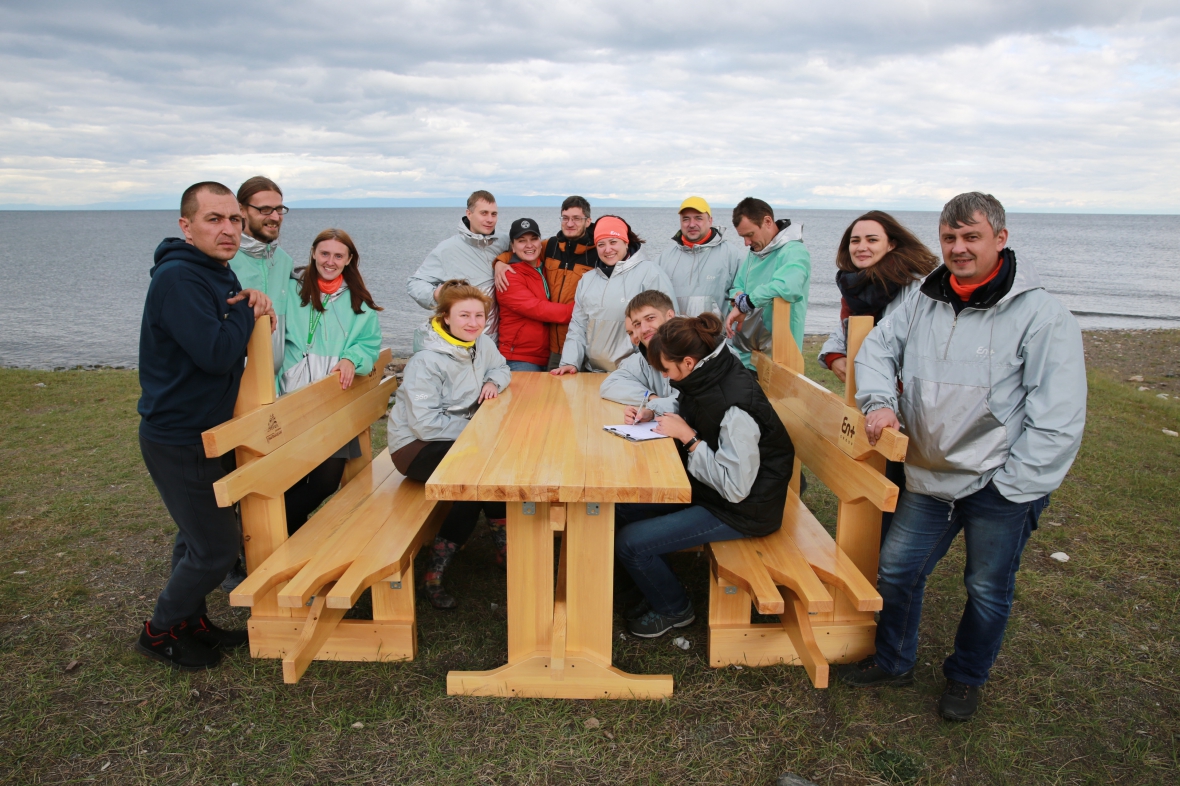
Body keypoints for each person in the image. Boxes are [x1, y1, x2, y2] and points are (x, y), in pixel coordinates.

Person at [836, 192, 1087, 723]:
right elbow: (878, 349)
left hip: (998, 486)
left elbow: (1058, 416)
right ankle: (894, 661)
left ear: (1000, 237)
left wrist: (1013, 485)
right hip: (929, 478)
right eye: (950, 237)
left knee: (987, 589)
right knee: (899, 572)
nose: (959, 248)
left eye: (971, 236)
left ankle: (966, 678)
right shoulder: (922, 299)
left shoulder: (1040, 314)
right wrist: (879, 402)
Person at [136, 182, 275, 671]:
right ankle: (158, 632)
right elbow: (216, 353)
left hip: (209, 430)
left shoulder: (214, 270)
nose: (229, 229)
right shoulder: (179, 278)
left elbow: (223, 319)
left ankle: (190, 622)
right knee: (216, 548)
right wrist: (250, 311)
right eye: (214, 219)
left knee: (192, 538)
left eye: (235, 220)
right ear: (186, 225)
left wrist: (244, 298)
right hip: (179, 435)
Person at [614, 314, 795, 638]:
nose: (667, 378)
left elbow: (736, 488)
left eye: (667, 370)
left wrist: (689, 439)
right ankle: (642, 586)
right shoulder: (710, 370)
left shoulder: (735, 409)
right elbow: (686, 400)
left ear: (687, 361)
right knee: (622, 507)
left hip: (743, 509)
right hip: (713, 491)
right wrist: (651, 411)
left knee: (631, 543)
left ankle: (674, 610)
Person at [387, 280, 512, 609]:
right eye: (464, 316)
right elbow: (425, 425)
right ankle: (436, 573)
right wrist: (479, 431)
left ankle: (504, 548)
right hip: (414, 448)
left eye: (479, 315)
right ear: (445, 318)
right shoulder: (426, 361)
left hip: (459, 436)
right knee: (472, 482)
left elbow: (501, 367)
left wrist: (491, 381)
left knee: (487, 469)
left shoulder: (480, 343)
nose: (473, 322)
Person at [816, 211, 939, 540]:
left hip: (905, 395)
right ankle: (877, 544)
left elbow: (895, 342)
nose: (862, 247)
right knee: (878, 470)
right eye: (855, 240)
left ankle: (888, 552)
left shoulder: (915, 285)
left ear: (892, 243)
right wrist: (834, 355)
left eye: (872, 239)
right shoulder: (856, 284)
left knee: (900, 476)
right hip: (875, 395)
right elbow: (845, 327)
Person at [279, 229, 383, 533]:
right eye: (325, 253)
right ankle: (289, 538)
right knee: (292, 476)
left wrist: (353, 359)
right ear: (313, 253)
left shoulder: (358, 301)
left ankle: (264, 527)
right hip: (291, 398)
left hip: (334, 401)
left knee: (325, 481)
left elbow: (369, 344)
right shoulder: (290, 290)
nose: (330, 261)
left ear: (349, 259)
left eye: (339, 256)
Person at [552, 216, 677, 374]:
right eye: (601, 244)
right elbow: (578, 326)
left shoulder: (650, 273)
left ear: (626, 242)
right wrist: (570, 362)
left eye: (613, 242)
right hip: (592, 372)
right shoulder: (587, 280)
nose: (607, 249)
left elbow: (667, 324)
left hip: (637, 373)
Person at [407, 190, 508, 341]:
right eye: (484, 213)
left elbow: (530, 249)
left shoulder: (504, 242)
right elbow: (414, 284)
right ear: (469, 213)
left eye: (494, 214)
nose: (490, 219)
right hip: (462, 338)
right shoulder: (447, 249)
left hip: (499, 339)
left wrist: (500, 261)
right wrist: (437, 294)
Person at [724, 198, 811, 371]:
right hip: (748, 355)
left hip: (781, 358)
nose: (746, 243)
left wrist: (748, 302)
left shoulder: (793, 251)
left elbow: (788, 286)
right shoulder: (754, 253)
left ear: (767, 221)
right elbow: (737, 287)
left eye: (750, 235)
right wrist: (738, 299)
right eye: (743, 237)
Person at [228, 176, 296, 377]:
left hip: (274, 383)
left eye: (279, 209)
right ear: (242, 211)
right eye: (265, 209)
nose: (275, 217)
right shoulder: (225, 259)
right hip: (232, 383)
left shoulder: (284, 261)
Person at [494, 218, 574, 371]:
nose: (529, 245)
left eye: (534, 239)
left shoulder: (545, 268)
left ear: (540, 242)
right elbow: (539, 308)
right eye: (522, 241)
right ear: (513, 246)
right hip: (519, 357)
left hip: (547, 354)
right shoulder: (508, 276)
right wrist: (580, 310)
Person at [655, 196, 743, 317]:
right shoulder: (663, 259)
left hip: (718, 335)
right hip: (675, 335)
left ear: (710, 221)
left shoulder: (732, 255)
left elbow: (744, 302)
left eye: (698, 218)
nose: (692, 224)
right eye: (686, 219)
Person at [600, 290, 678, 416]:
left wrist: (653, 409)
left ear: (670, 315)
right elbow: (610, 385)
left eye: (650, 318)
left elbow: (686, 402)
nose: (644, 329)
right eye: (637, 324)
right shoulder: (646, 355)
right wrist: (651, 398)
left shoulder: (692, 349)